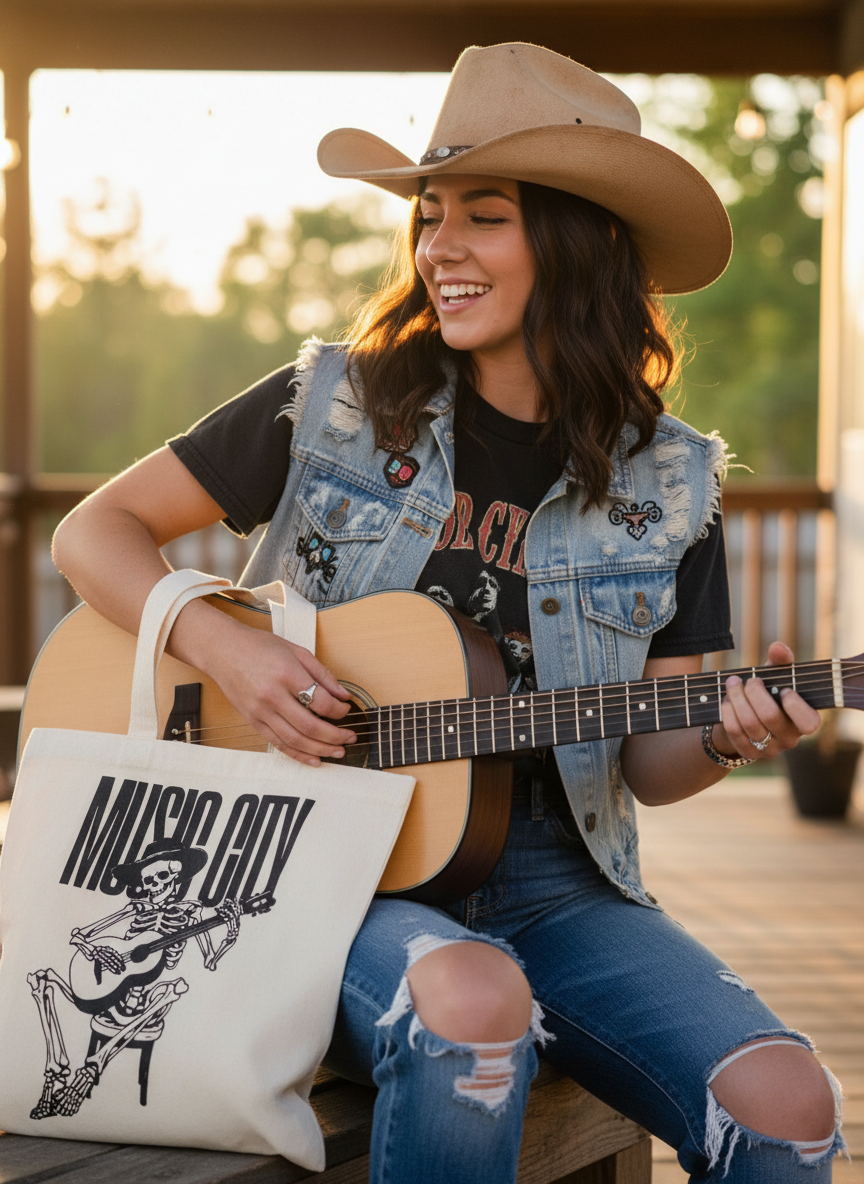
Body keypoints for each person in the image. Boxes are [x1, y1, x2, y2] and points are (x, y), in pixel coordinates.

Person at [53, 42, 844, 1183]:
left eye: (484, 216)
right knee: (474, 1007)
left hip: (558, 879)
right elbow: (95, 532)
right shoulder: (336, 401)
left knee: (789, 1103)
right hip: (313, 856)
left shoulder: (672, 483)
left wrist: (730, 734)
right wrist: (226, 650)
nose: (439, 249)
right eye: (430, 217)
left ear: (578, 243)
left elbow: (652, 760)